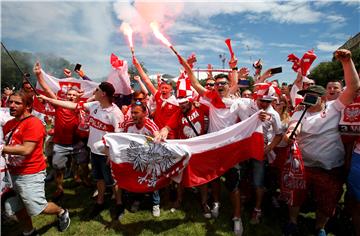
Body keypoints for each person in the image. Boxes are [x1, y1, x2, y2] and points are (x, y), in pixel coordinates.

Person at [283, 49, 360, 236]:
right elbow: (294, 126)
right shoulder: (300, 110)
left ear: (323, 98)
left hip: (330, 167)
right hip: (303, 166)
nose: (306, 98)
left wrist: (347, 62)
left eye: (311, 95)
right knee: (296, 197)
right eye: (304, 95)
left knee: (327, 199)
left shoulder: (335, 107)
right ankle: (293, 223)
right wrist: (291, 134)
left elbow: (353, 87)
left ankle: (320, 227)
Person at [38, 81, 125, 220]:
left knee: (113, 181)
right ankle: (100, 202)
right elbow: (73, 105)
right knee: (99, 179)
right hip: (94, 151)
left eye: (96, 90)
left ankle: (119, 204)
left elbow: (119, 137)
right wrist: (50, 99)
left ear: (103, 94)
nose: (93, 92)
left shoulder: (116, 113)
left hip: (107, 154)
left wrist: (111, 153)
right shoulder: (95, 105)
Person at [1, 91, 70, 235]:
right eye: (10, 102)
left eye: (17, 103)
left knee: (37, 208)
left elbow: (27, 149)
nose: (12, 106)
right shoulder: (8, 124)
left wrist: (2, 148)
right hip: (11, 173)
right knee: (16, 206)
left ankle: (61, 212)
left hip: (30, 173)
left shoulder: (34, 123)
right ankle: (29, 232)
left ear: (28, 106)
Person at [34, 62, 90, 201]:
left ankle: (83, 178)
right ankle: (59, 188)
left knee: (84, 163)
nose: (71, 96)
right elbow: (47, 89)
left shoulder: (82, 106)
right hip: (60, 144)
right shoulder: (58, 103)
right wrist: (38, 74)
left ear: (78, 96)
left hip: (77, 143)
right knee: (58, 168)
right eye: (69, 95)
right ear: (66, 96)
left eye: (73, 95)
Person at [155, 96, 210, 218]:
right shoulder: (178, 113)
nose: (182, 106)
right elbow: (168, 126)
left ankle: (204, 203)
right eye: (180, 104)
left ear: (190, 101)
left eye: (184, 103)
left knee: (203, 178)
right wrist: (164, 130)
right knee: (181, 175)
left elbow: (215, 112)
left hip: (200, 149)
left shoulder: (200, 108)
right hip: (185, 150)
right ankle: (179, 200)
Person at [122, 102, 161, 217]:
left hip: (150, 157)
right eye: (132, 112)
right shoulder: (128, 124)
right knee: (137, 179)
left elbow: (157, 138)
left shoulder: (150, 125)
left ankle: (155, 204)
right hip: (135, 158)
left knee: (153, 180)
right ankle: (137, 200)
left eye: (136, 113)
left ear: (144, 113)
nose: (133, 115)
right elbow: (122, 139)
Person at [133, 56, 179, 138]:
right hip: (156, 132)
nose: (164, 90)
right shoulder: (158, 96)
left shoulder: (176, 103)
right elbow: (147, 81)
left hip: (169, 135)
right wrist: (137, 65)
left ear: (171, 89)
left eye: (166, 88)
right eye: (162, 88)